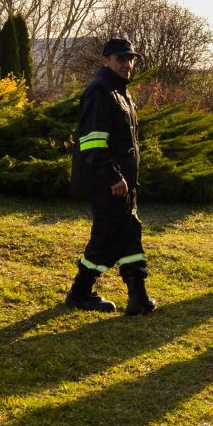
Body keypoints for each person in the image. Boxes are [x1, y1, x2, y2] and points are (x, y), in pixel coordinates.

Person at [66, 38, 155, 316]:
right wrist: (113, 176)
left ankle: (137, 297)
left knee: (130, 234)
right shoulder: (100, 91)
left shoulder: (120, 92)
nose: (128, 65)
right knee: (106, 237)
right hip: (108, 184)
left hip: (124, 184)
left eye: (131, 59)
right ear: (106, 61)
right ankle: (80, 292)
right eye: (121, 59)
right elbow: (92, 142)